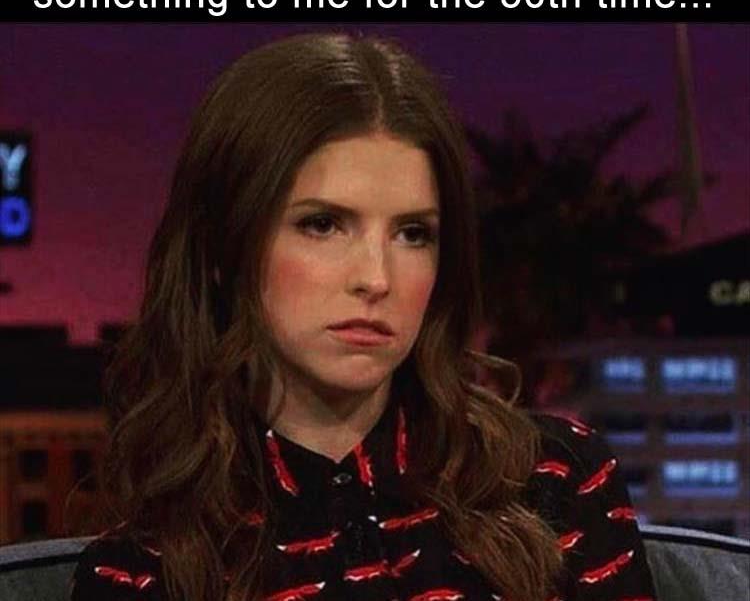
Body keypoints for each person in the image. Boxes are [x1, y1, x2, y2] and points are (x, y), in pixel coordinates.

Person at [69, 32, 657, 601]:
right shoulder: (144, 571)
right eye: (323, 224)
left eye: (413, 233)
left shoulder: (556, 480)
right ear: (224, 249)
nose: (377, 278)